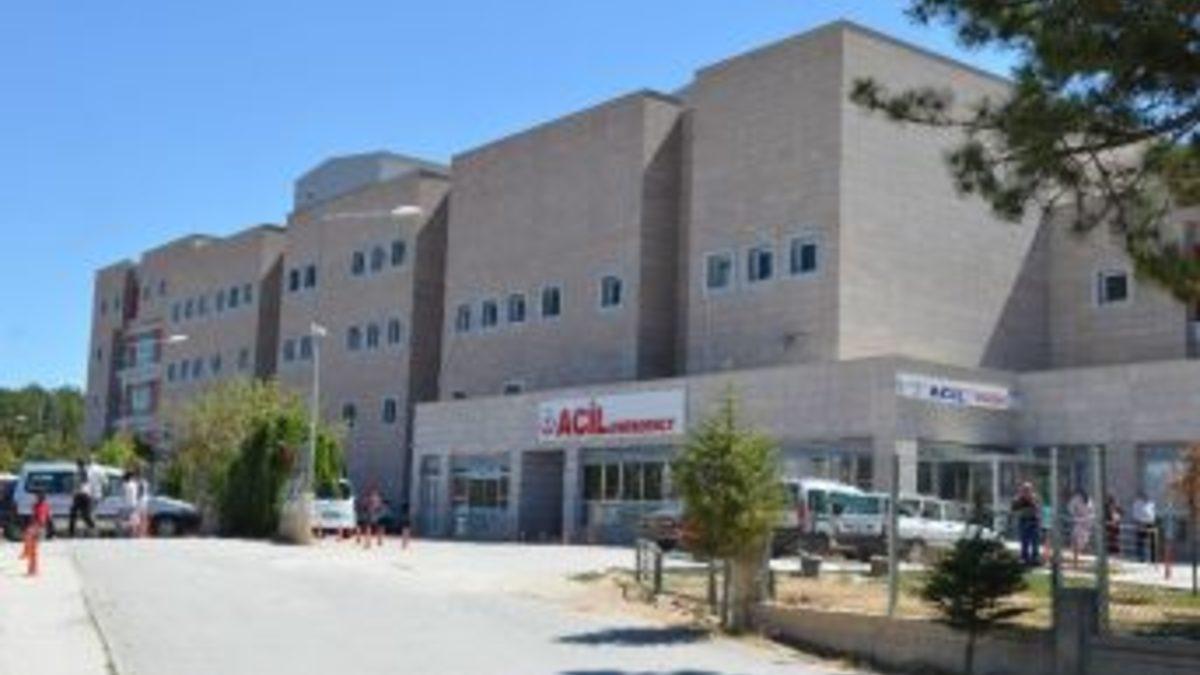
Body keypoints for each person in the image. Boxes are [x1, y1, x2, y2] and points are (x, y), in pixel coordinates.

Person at [21, 490, 51, 576]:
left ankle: (32, 568)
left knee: (32, 549)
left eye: (37, 497)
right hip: (37, 526)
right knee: (33, 548)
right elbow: (47, 517)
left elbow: (42, 518)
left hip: (38, 527)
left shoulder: (41, 506)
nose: (36, 498)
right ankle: (31, 568)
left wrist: (38, 528)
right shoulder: (39, 506)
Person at [1011, 482, 1041, 566]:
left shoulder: (1035, 498)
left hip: (1034, 521)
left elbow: (1038, 509)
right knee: (1024, 541)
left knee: (1035, 542)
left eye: (1028, 490)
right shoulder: (1018, 499)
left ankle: (1035, 558)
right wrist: (1020, 502)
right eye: (1025, 490)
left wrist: (1032, 501)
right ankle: (1024, 558)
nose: (1027, 491)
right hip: (1023, 521)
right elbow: (1014, 509)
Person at [69, 458, 99, 537]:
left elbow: (81, 482)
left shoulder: (82, 472)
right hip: (84, 495)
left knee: (77, 513)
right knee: (81, 514)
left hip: (82, 495)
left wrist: (75, 491)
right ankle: (91, 527)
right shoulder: (83, 471)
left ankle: (91, 527)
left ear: (78, 464)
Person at [1068, 490, 1094, 566]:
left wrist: (1090, 519)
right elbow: (1070, 508)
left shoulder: (1090, 501)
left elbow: (1092, 512)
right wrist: (1075, 516)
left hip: (1087, 524)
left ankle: (1078, 560)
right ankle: (1075, 561)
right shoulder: (1076, 499)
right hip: (1078, 522)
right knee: (1076, 541)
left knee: (1083, 542)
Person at [1132, 492, 1157, 562]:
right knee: (1140, 541)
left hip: (1150, 523)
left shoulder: (1151, 503)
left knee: (1152, 541)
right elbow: (1135, 514)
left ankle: (1153, 558)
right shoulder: (1137, 503)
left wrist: (1153, 521)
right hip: (1141, 523)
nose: (1146, 497)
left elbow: (1153, 514)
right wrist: (1137, 523)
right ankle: (1141, 558)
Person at [121, 469, 141, 537]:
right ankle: (133, 533)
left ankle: (128, 532)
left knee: (126, 520)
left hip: (127, 505)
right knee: (133, 519)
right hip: (134, 504)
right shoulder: (134, 484)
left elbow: (123, 494)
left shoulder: (125, 485)